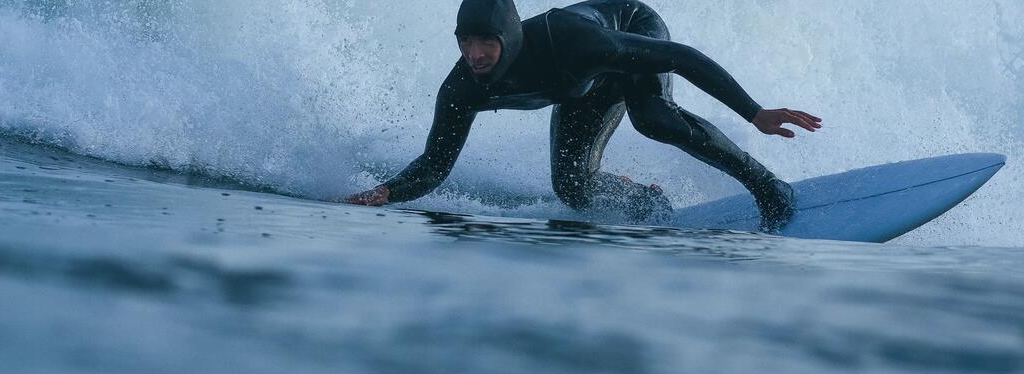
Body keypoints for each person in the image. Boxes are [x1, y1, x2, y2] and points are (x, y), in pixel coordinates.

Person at [345, 0, 822, 232]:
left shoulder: (569, 38)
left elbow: (683, 56)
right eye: (464, 42)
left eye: (484, 41)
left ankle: (767, 186)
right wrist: (386, 192)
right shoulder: (461, 89)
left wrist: (754, 111)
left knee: (653, 118)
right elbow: (434, 163)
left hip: (627, 30)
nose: (474, 54)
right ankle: (647, 203)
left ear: (508, 36)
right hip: (583, 86)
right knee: (573, 188)